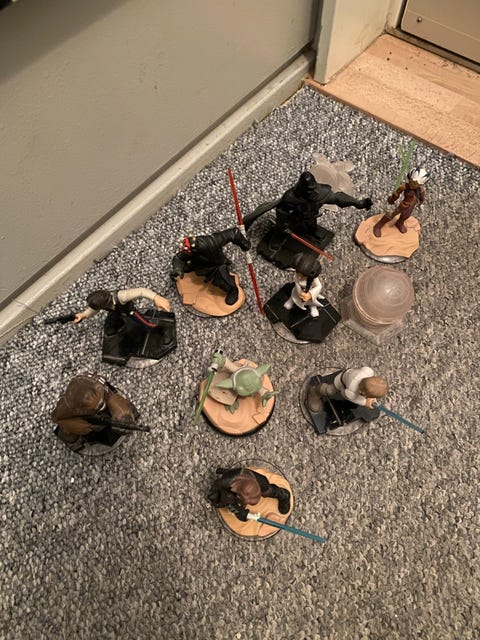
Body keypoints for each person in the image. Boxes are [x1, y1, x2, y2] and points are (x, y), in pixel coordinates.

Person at [274, 171, 373, 237]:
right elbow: (281, 210)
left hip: (311, 216)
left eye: (312, 190)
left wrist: (356, 202)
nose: (311, 193)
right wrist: (283, 222)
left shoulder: (321, 192)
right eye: (308, 191)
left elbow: (337, 198)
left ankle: (313, 230)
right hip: (295, 218)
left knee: (311, 226)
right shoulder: (290, 197)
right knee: (288, 231)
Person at [51, 373, 137, 448]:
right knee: (69, 435)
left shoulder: (101, 388)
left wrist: (124, 416)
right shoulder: (68, 406)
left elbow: (113, 399)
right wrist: (79, 426)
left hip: (103, 398)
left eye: (100, 405)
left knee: (122, 410)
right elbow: (56, 417)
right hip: (83, 415)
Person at [172, 227, 250, 305]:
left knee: (224, 280)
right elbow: (179, 258)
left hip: (217, 265)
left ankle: (233, 290)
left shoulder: (213, 241)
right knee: (187, 268)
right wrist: (178, 269)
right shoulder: (190, 251)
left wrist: (244, 244)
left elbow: (234, 232)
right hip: (199, 263)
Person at [73, 287, 171, 336]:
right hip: (115, 311)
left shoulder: (121, 296)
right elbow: (93, 310)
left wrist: (156, 297)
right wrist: (83, 315)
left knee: (144, 322)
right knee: (112, 321)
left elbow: (141, 291)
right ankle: (116, 326)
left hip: (129, 310)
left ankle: (160, 330)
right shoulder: (102, 304)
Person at [208, 467, 291, 521]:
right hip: (228, 489)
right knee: (220, 499)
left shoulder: (259, 481)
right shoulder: (227, 490)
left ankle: (284, 495)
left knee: (267, 489)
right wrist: (244, 514)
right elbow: (235, 508)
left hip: (249, 479)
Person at [373, 166, 431, 237]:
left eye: (416, 184)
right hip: (404, 204)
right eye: (412, 182)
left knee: (406, 216)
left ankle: (399, 223)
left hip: (411, 205)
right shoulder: (405, 187)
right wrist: (392, 199)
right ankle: (378, 225)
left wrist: (421, 201)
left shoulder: (420, 189)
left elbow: (422, 196)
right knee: (392, 214)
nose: (413, 185)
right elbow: (397, 193)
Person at [307, 367, 388, 412]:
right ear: (362, 392)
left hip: (347, 374)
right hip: (340, 383)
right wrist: (365, 403)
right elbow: (344, 393)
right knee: (329, 390)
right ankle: (314, 392)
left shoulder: (367, 372)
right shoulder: (351, 392)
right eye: (367, 396)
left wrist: (370, 396)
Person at [283, 253, 325, 318]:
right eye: (297, 273)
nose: (299, 277)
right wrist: (300, 292)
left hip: (309, 291)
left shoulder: (313, 278)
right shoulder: (298, 274)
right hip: (298, 290)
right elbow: (297, 282)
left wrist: (310, 294)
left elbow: (319, 286)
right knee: (295, 295)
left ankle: (312, 307)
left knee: (311, 301)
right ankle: (292, 300)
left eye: (303, 276)